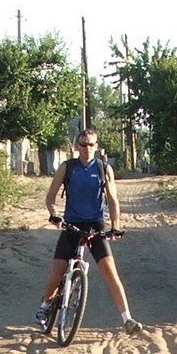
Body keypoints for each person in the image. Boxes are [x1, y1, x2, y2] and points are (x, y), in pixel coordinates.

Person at [36, 127, 144, 336]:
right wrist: (54, 214)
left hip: (95, 226)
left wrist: (115, 225)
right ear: (76, 146)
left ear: (97, 146)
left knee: (110, 272)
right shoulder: (67, 167)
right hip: (72, 225)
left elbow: (112, 200)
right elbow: (50, 197)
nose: (87, 148)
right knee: (57, 271)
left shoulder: (104, 168)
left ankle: (127, 319)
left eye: (91, 145)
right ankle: (44, 307)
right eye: (83, 145)